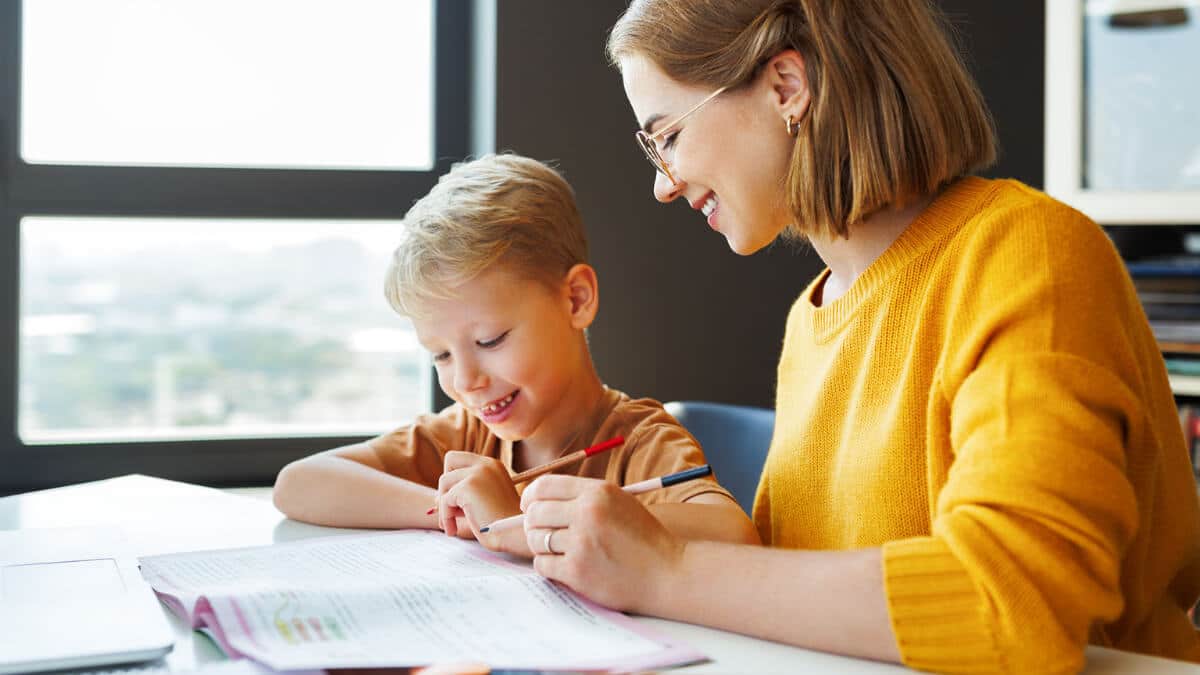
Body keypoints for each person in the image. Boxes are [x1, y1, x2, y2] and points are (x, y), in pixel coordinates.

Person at [516, 1, 1200, 672]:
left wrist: (668, 571)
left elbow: (1012, 601)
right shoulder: (810, 319)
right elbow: (800, 595)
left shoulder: (1028, 254)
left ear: (787, 86)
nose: (663, 186)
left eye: (666, 137)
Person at [273, 153, 759, 559]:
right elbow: (299, 483)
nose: (465, 380)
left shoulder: (639, 443)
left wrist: (514, 520)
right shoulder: (466, 433)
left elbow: (734, 534)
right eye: (440, 355)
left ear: (575, 300)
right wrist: (457, 510)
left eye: (490, 341)